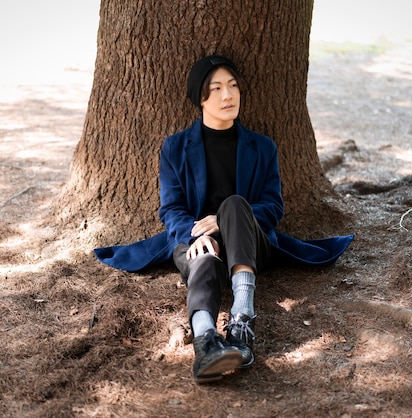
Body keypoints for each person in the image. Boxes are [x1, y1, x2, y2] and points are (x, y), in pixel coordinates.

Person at [94, 55, 354, 383]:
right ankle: (205, 343)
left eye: (232, 86)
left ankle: (242, 319)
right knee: (203, 256)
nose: (227, 96)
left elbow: (273, 207)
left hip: (251, 243)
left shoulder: (262, 147)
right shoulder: (175, 148)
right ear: (200, 98)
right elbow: (170, 208)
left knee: (233, 205)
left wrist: (223, 219)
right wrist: (193, 234)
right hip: (194, 239)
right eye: (216, 88)